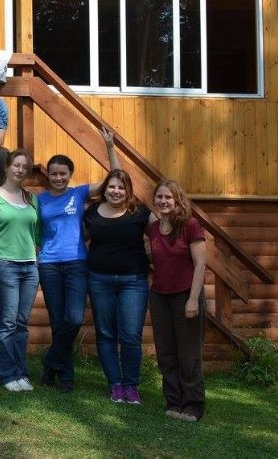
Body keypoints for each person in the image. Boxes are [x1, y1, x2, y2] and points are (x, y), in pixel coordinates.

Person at [36, 127, 119, 393]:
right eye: (54, 174)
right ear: (48, 175)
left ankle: (51, 362)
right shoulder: (39, 200)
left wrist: (110, 147)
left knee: (73, 318)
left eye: (63, 173)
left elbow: (115, 178)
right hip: (49, 264)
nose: (58, 178)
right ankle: (66, 377)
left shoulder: (78, 194)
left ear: (70, 174)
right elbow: (33, 230)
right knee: (58, 321)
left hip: (76, 263)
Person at [84, 168, 152, 404]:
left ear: (128, 191)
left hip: (133, 281)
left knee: (131, 335)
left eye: (121, 187)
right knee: (106, 334)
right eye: (112, 186)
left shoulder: (140, 212)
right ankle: (115, 384)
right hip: (99, 279)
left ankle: (131, 385)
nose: (116, 191)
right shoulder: (91, 212)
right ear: (105, 189)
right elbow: (79, 238)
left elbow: (162, 234)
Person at [0, 149, 39, 392]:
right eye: (16, 165)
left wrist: (35, 255)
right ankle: (6, 375)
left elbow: (37, 232)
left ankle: (21, 373)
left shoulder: (31, 198)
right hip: (4, 265)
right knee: (7, 321)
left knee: (22, 323)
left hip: (29, 267)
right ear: (6, 167)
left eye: (25, 167)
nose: (20, 170)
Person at [148, 180, 207, 422]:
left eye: (168, 197)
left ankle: (192, 405)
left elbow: (200, 264)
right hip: (159, 297)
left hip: (186, 295)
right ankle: (173, 402)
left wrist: (193, 299)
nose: (163, 201)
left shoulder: (190, 225)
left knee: (188, 354)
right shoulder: (153, 228)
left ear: (178, 200)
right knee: (166, 353)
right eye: (159, 197)